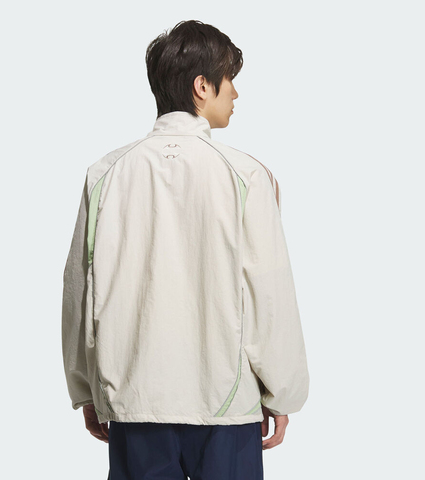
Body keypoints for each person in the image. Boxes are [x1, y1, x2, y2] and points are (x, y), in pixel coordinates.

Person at [61, 19, 310, 480]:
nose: (235, 93)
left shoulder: (105, 174)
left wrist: (86, 390)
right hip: (226, 405)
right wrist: (281, 393)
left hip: (134, 400)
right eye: (229, 79)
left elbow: (80, 290)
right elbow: (269, 294)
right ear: (202, 86)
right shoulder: (248, 176)